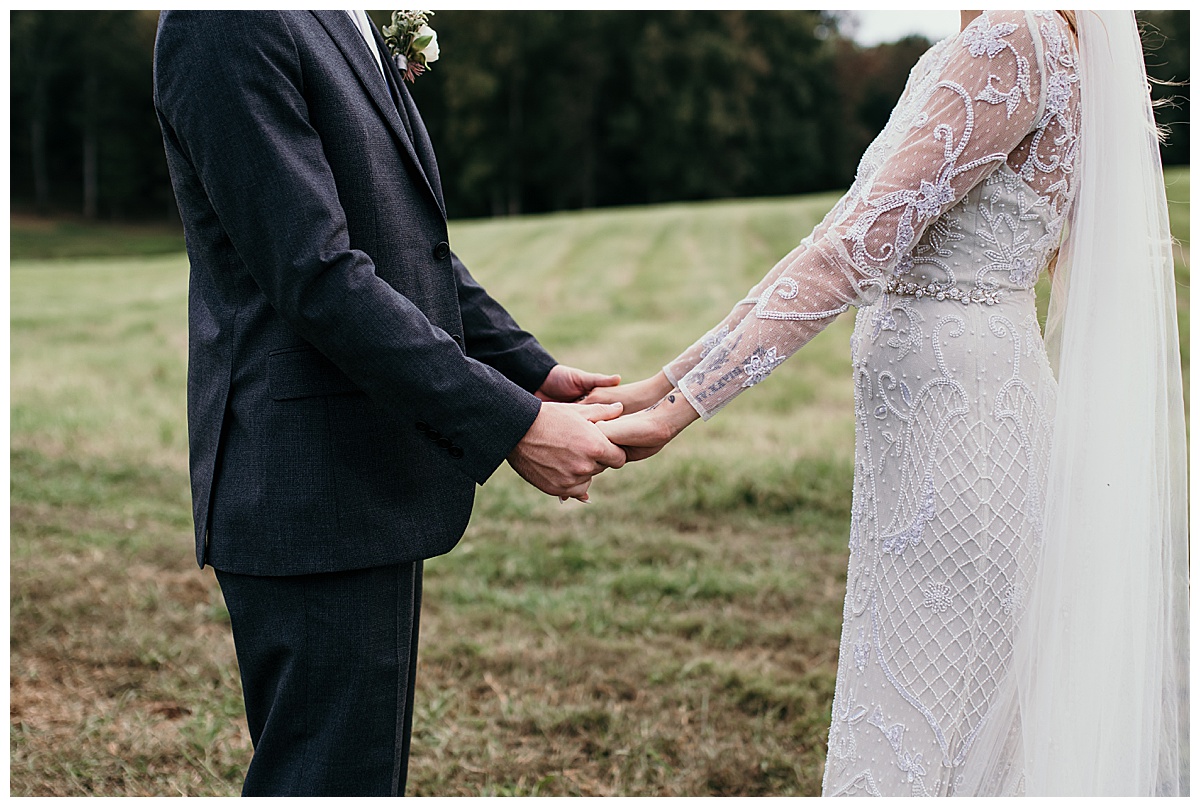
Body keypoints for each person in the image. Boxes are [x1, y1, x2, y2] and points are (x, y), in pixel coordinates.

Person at [594, 10, 1188, 796]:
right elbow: (843, 232)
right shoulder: (1060, 48)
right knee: (956, 723)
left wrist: (683, 408)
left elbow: (855, 248)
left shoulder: (1012, 41)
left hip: (957, 447)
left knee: (912, 727)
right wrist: (667, 381)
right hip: (976, 429)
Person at [153, 10, 626, 797]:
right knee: (325, 778)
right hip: (306, 481)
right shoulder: (224, 21)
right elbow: (318, 273)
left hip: (366, 469)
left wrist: (528, 370)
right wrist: (511, 424)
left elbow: (405, 241)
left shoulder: (341, 15)